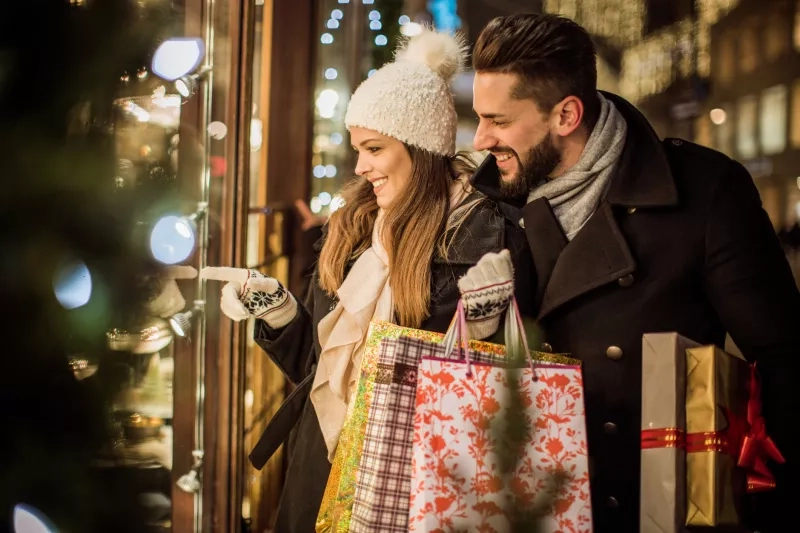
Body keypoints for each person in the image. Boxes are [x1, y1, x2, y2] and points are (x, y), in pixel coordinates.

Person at [468, 13, 799, 533]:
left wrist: (769, 512)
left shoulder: (706, 192)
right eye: (479, 118)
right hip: (520, 505)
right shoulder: (482, 207)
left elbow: (784, 362)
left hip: (650, 504)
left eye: (499, 121)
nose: (481, 140)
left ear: (566, 114)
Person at [202, 28, 534, 532]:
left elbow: (498, 398)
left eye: (374, 148)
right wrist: (280, 312)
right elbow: (318, 370)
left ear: (420, 148)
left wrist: (483, 333)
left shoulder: (490, 235)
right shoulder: (352, 228)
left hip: (417, 490)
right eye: (358, 149)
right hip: (321, 476)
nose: (361, 167)